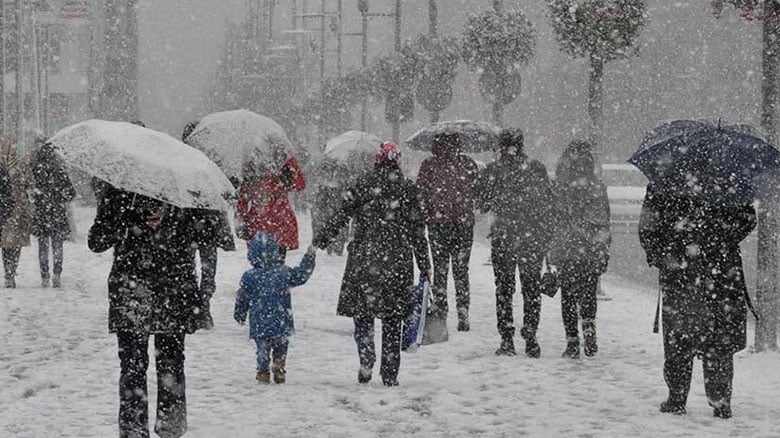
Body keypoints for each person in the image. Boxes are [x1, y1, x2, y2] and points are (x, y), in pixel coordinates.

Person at [89, 185, 209, 438]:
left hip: (172, 294)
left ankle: (171, 428)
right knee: (134, 368)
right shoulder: (119, 193)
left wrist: (173, 224)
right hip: (132, 296)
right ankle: (134, 431)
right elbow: (96, 241)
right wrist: (126, 220)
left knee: (171, 367)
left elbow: (204, 236)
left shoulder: (182, 193)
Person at [314, 141, 431, 386]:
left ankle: (366, 355)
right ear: (397, 163)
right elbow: (418, 232)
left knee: (363, 313)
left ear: (377, 161)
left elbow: (341, 214)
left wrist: (320, 240)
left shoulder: (362, 184)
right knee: (392, 319)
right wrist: (424, 264)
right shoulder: (408, 189)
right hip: (397, 261)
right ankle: (390, 372)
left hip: (364, 258)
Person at [639, 184, 755, 419]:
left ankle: (677, 397)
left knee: (679, 337)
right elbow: (748, 219)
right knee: (719, 336)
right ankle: (720, 398)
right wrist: (722, 237)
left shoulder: (665, 180)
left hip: (679, 271)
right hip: (721, 272)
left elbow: (648, 227)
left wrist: (663, 254)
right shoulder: (726, 177)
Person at [476, 128, 554, 358]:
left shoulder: (494, 170)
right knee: (531, 289)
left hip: (504, 236)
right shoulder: (537, 168)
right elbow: (548, 202)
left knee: (504, 289)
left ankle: (507, 337)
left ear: (502, 146)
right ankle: (531, 336)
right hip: (532, 237)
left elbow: (482, 203)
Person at [549, 143, 611, 359]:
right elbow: (604, 221)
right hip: (591, 248)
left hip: (568, 248)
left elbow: (553, 219)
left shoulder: (561, 186)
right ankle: (588, 325)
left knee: (567, 295)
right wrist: (603, 249)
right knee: (588, 292)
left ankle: (572, 341)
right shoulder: (597, 187)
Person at [234, 232, 316, 384]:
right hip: (281, 318)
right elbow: (301, 275)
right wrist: (309, 257)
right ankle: (279, 364)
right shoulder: (283, 272)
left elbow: (242, 297)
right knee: (281, 344)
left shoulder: (249, 276)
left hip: (260, 321)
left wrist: (239, 314)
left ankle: (263, 371)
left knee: (262, 348)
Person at [416, 132, 478, 333]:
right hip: (463, 225)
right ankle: (463, 310)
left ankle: (441, 310)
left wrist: (427, 216)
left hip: (439, 224)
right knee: (461, 270)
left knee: (440, 269)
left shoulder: (429, 165)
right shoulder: (468, 164)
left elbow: (421, 194)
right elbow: (478, 191)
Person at [182, 121, 236, 330]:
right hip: (207, 223)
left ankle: (198, 307)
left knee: (189, 268)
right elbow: (227, 190)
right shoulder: (211, 162)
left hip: (189, 223)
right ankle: (202, 307)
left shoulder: (183, 160)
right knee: (206, 268)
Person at [237, 141, 306, 260]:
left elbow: (243, 199)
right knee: (277, 264)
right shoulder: (284, 166)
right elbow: (300, 184)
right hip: (280, 221)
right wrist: (290, 164)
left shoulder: (252, 168)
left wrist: (241, 219)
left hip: (258, 222)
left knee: (258, 265)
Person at [31, 138, 75, 288]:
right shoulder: (59, 171)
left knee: (43, 246)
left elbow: (32, 192)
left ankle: (44, 275)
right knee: (58, 245)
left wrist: (39, 197)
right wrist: (60, 196)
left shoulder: (36, 171)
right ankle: (57, 273)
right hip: (57, 213)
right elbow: (71, 193)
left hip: (42, 213)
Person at [0, 138, 31, 288]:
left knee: (8, 244)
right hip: (15, 209)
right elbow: (30, 184)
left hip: (9, 209)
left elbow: (29, 183)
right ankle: (10, 272)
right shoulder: (21, 166)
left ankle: (9, 273)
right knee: (12, 244)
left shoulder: (19, 166)